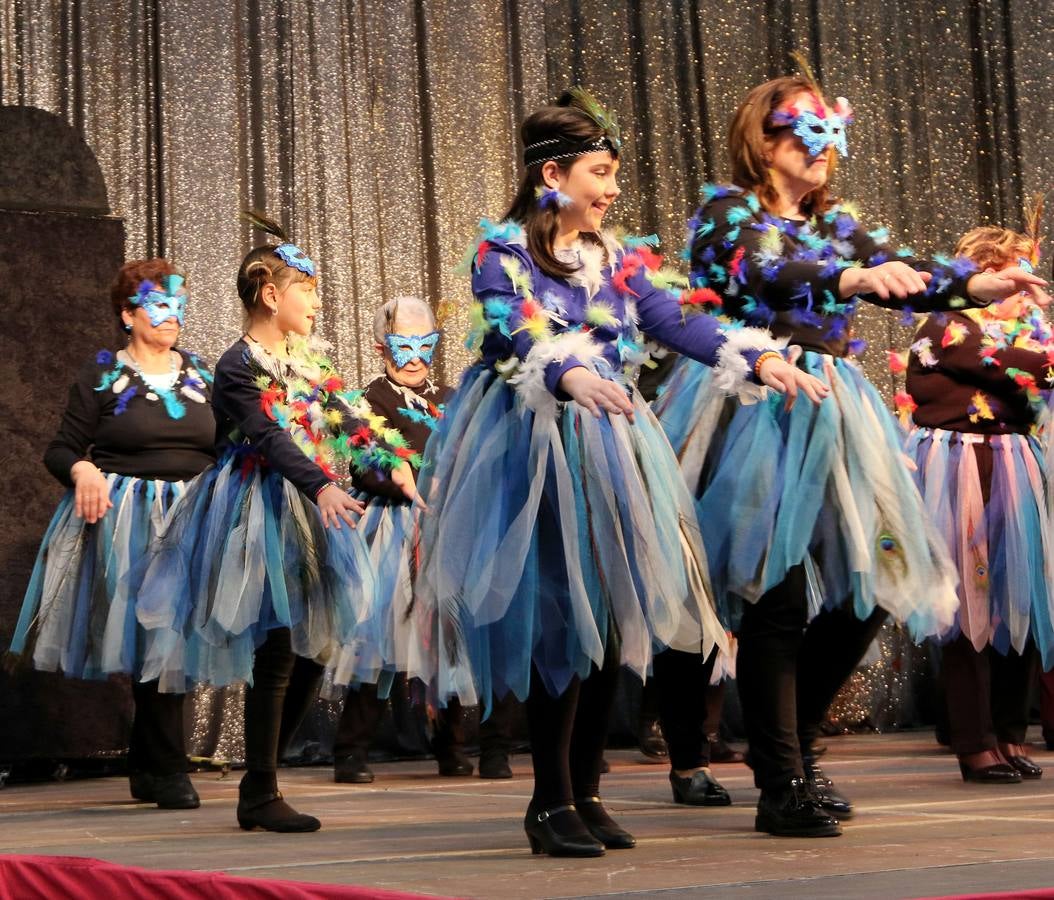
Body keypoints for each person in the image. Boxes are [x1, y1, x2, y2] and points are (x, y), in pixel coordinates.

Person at [411, 89, 827, 857]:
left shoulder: (616, 259)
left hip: (611, 441)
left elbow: (674, 321)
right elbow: (510, 329)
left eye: (614, 175)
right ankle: (548, 801)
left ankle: (588, 788)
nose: (611, 190)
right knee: (560, 619)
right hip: (530, 443)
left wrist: (759, 354)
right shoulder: (503, 253)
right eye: (600, 173)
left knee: (610, 612)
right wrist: (566, 375)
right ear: (553, 177)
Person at [652, 72, 1048, 837]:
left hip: (833, 408)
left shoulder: (838, 224)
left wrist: (976, 282)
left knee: (879, 582)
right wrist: (845, 275)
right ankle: (777, 783)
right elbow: (761, 270)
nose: (824, 150)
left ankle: (795, 747)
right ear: (765, 141)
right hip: (753, 403)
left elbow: (908, 274)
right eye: (806, 132)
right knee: (771, 596)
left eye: (831, 133)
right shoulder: (726, 213)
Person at [140, 214, 413, 832]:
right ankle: (259, 790)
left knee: (315, 647)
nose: (317, 302)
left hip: (308, 505)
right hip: (253, 507)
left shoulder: (310, 362)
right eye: (307, 289)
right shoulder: (237, 366)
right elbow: (266, 436)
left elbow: (347, 418)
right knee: (280, 647)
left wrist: (390, 462)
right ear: (271, 294)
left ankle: (263, 777)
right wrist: (320, 484)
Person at [11, 260, 214, 810]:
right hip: (131, 519)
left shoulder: (202, 374)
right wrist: (82, 470)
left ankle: (147, 764)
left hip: (193, 515)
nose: (171, 316)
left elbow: (229, 444)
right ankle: (168, 768)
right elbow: (60, 448)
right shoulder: (103, 374)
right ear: (128, 314)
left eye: (178, 304)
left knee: (174, 640)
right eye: (157, 304)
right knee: (157, 637)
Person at [332, 296, 515, 783]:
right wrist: (408, 477)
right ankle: (351, 750)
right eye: (402, 346)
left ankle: (451, 745)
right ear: (380, 348)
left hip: (447, 530)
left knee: (448, 639)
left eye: (425, 345)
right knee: (376, 637)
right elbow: (363, 463)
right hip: (391, 530)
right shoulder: (364, 404)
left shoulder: (452, 400)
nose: (414, 358)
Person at [904, 224, 1053, 783]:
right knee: (970, 600)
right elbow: (992, 362)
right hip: (960, 467)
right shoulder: (947, 323)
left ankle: (1012, 734)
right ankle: (974, 740)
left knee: (1020, 597)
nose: (1025, 283)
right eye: (1014, 272)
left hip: (1015, 463)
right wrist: (1039, 357)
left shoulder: (1029, 330)